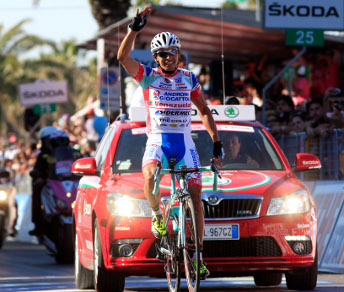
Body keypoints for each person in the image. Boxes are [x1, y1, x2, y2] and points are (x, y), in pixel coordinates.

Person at [117, 6, 223, 278]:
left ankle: (198, 254)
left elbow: (204, 111)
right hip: (157, 141)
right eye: (162, 54)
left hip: (185, 144)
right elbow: (122, 57)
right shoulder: (148, 77)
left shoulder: (188, 78)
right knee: (150, 174)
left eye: (172, 52)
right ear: (155, 57)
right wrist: (134, 27)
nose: (167, 57)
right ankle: (156, 214)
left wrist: (216, 142)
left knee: (197, 197)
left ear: (179, 54)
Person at [129, 52, 188, 119]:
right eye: (183, 68)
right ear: (180, 65)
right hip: (145, 119)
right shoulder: (162, 78)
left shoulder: (156, 75)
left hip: (137, 118)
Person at [29, 126, 56, 236]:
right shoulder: (42, 155)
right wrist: (39, 176)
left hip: (62, 183)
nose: (48, 142)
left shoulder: (64, 153)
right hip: (47, 183)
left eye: (50, 139)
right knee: (36, 188)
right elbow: (37, 169)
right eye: (45, 139)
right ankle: (38, 223)